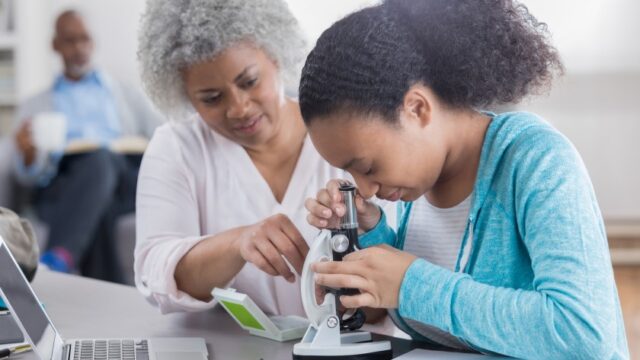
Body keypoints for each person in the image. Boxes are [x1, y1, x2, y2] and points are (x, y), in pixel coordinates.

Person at [301, 0, 629, 358]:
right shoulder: (421, 183)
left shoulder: (537, 159)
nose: (364, 188)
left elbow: (580, 335)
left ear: (417, 109)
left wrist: (411, 284)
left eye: (366, 166)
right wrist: (373, 239)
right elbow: (440, 314)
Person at [134, 0, 355, 318]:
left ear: (276, 57)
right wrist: (236, 243)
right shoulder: (177, 147)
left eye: (249, 81)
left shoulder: (342, 132)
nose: (238, 108)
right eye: (211, 98)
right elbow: (155, 273)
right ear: (184, 95)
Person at [13, 10, 162, 282]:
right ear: (55, 45)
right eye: (70, 41)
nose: (79, 48)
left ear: (92, 42)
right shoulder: (36, 104)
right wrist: (29, 157)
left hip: (124, 176)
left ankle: (59, 256)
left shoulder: (125, 93)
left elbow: (163, 135)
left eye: (84, 39)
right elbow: (26, 176)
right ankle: (111, 293)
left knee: (102, 161)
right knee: (96, 193)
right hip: (65, 181)